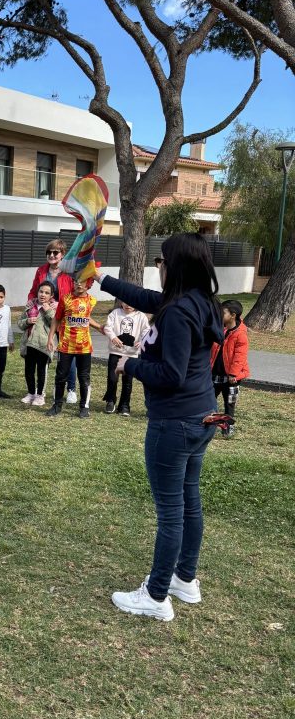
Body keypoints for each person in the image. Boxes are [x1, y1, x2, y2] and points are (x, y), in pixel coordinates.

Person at [94, 234, 224, 621]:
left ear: (175, 265)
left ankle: (155, 596)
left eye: (161, 261)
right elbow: (146, 297)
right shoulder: (198, 301)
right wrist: (101, 278)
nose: (159, 267)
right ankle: (184, 579)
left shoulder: (179, 312)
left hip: (175, 424)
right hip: (200, 416)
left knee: (171, 512)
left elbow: (171, 373)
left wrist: (129, 364)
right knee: (188, 500)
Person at [46, 275, 104, 418]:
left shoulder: (92, 300)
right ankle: (57, 405)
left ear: (88, 284)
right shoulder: (65, 299)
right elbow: (57, 318)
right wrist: (50, 337)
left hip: (84, 346)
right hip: (66, 345)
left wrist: (99, 327)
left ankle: (84, 407)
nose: (79, 284)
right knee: (61, 376)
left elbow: (85, 317)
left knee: (84, 378)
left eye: (82, 282)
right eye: (76, 281)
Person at [29, 239, 78, 404]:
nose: (51, 255)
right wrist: (32, 304)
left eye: (55, 252)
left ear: (62, 254)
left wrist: (61, 305)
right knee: (44, 351)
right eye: (48, 252)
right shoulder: (41, 270)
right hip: (45, 318)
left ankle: (71, 389)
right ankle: (40, 390)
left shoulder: (69, 272)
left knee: (66, 353)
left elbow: (75, 294)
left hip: (63, 317)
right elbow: (33, 291)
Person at [102, 300, 151, 415]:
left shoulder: (141, 316)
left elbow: (147, 330)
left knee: (127, 380)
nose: (128, 305)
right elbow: (108, 327)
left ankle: (124, 405)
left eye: (131, 302)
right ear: (121, 303)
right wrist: (113, 337)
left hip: (131, 354)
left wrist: (142, 341)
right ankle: (110, 401)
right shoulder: (115, 313)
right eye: (125, 302)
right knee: (112, 378)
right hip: (115, 352)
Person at [210, 299, 250, 438]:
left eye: (223, 312)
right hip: (214, 374)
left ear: (233, 315)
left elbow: (240, 356)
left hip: (231, 378)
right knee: (209, 400)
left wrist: (233, 374)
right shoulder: (219, 328)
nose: (219, 315)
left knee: (229, 403)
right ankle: (211, 424)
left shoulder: (240, 334)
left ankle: (228, 428)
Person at [17, 281, 56, 405]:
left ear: (51, 295)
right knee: (29, 370)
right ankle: (31, 393)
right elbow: (20, 324)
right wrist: (27, 321)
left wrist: (48, 311)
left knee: (41, 371)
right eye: (41, 291)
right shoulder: (30, 306)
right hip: (29, 344)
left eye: (47, 293)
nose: (43, 295)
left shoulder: (53, 308)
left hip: (43, 346)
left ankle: (40, 395)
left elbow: (56, 325)